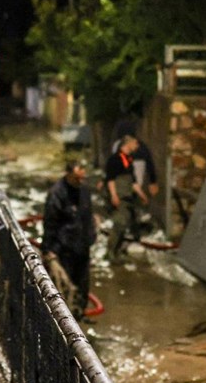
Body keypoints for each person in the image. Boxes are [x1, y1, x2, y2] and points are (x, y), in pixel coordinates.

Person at [42, 160, 96, 318]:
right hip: (64, 248)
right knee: (65, 288)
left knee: (82, 285)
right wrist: (48, 249)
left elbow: (88, 215)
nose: (80, 181)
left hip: (82, 245)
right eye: (77, 177)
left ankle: (79, 315)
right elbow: (50, 222)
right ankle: (66, 322)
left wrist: (91, 235)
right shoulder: (57, 193)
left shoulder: (84, 191)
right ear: (69, 174)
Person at [105, 135, 148, 260]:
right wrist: (113, 195)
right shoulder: (115, 160)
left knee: (124, 225)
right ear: (128, 143)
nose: (137, 146)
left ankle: (117, 251)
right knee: (119, 224)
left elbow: (133, 182)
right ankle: (110, 252)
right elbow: (111, 180)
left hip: (128, 196)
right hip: (120, 196)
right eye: (135, 143)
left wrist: (142, 195)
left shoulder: (129, 161)